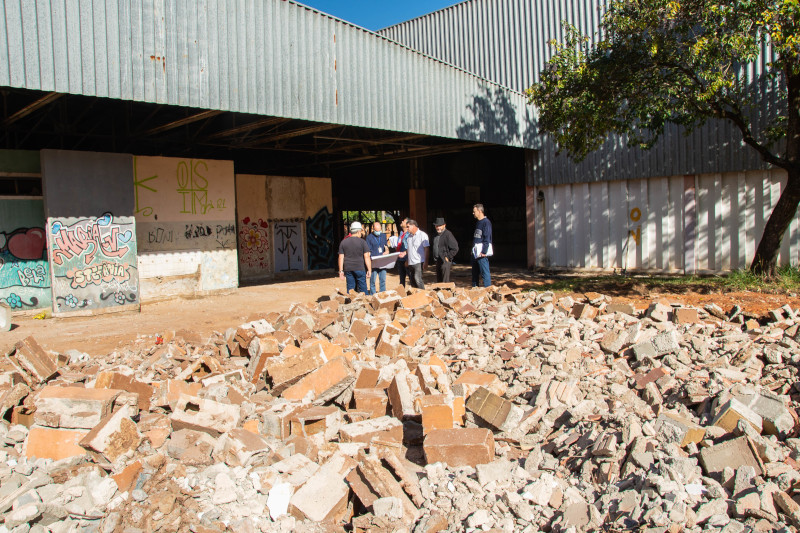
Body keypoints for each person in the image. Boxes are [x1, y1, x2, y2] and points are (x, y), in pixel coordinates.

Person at [338, 221, 371, 294]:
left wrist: (341, 270)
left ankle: (351, 304)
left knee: (350, 289)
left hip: (348, 269)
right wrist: (369, 270)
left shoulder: (343, 242)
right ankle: (364, 303)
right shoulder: (362, 242)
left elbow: (341, 257)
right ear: (358, 231)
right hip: (360, 268)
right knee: (363, 289)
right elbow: (367, 257)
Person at [399, 219, 429, 289]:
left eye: (408, 226)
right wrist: (405, 254)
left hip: (419, 261)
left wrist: (426, 262)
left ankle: (423, 295)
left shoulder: (423, 235)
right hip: (411, 262)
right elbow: (409, 249)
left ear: (413, 226)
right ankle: (415, 296)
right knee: (412, 280)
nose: (407, 228)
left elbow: (426, 249)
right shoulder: (409, 236)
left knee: (417, 279)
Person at [431, 217, 458, 283]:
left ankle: (446, 292)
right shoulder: (435, 235)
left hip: (445, 261)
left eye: (440, 226)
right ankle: (440, 293)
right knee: (439, 281)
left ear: (444, 225)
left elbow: (455, 248)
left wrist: (448, 257)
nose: (438, 227)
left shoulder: (448, 234)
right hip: (438, 260)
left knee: (445, 281)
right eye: (436, 226)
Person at [471, 204, 493, 287]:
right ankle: (475, 289)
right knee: (474, 273)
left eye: (474, 211)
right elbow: (476, 238)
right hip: (475, 252)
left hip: (481, 252)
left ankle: (488, 290)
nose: (473, 213)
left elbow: (487, 237)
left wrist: (484, 251)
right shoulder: (478, 223)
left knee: (484, 272)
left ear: (480, 211)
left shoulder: (486, 222)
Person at [366, 221, 389, 294]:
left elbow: (386, 246)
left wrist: (387, 251)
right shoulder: (369, 237)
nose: (378, 232)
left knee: (382, 280)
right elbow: (368, 251)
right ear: (373, 229)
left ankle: (382, 294)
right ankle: (373, 295)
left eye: (379, 230)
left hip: (382, 261)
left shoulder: (383, 236)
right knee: (372, 280)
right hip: (374, 262)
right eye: (376, 231)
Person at [396, 218, 409, 286]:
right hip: (400, 258)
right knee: (401, 278)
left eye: (403, 221)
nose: (401, 221)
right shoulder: (401, 233)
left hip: (406, 258)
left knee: (410, 276)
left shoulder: (409, 235)